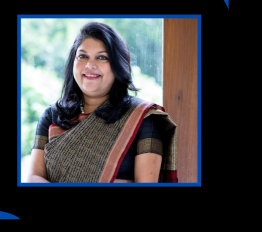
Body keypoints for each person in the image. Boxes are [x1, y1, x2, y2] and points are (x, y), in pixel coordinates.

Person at [27, 22, 177, 183]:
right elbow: (34, 178)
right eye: (83, 56)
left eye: (102, 57)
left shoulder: (142, 118)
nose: (90, 65)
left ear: (118, 66)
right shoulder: (52, 115)